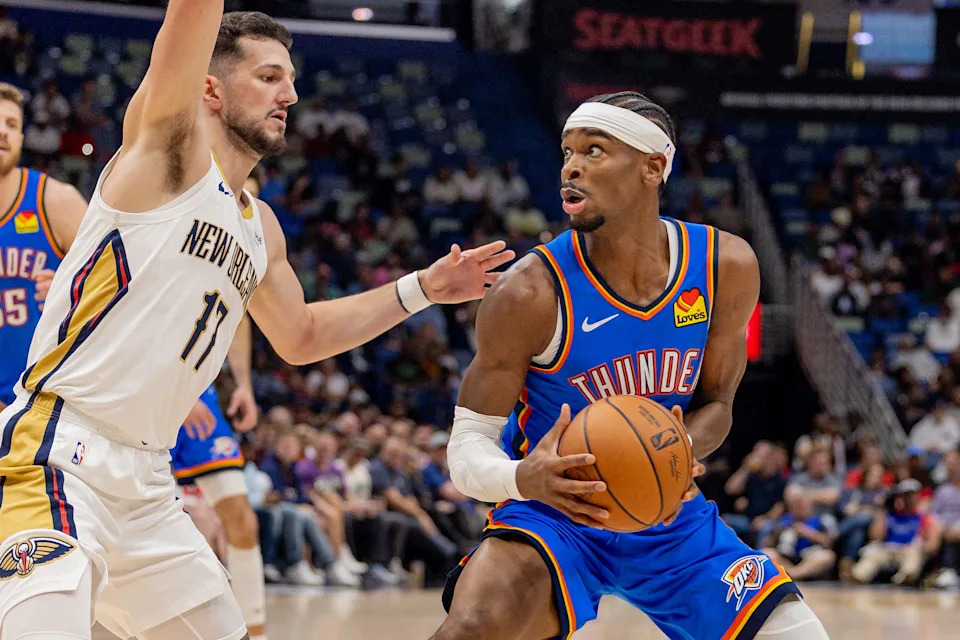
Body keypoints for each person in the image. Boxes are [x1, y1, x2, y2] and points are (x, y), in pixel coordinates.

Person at [0, 7, 512, 640]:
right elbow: (188, 20)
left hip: (149, 484)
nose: (289, 95)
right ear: (210, 89)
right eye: (269, 77)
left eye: (290, 80)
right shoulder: (168, 152)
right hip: (59, 454)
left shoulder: (260, 227)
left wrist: (423, 289)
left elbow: (301, 336)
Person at [433, 93, 829, 640]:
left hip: (668, 513)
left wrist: (678, 450)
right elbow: (466, 450)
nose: (571, 167)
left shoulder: (725, 265)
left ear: (652, 167)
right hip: (553, 514)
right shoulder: (528, 292)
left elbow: (718, 405)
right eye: (568, 152)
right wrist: (521, 477)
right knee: (471, 630)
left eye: (594, 151)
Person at [0, 82, 86, 410]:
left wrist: (73, 289)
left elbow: (119, 283)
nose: (3, 131)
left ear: (22, 138)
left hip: (43, 401)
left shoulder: (54, 201)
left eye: (12, 124)